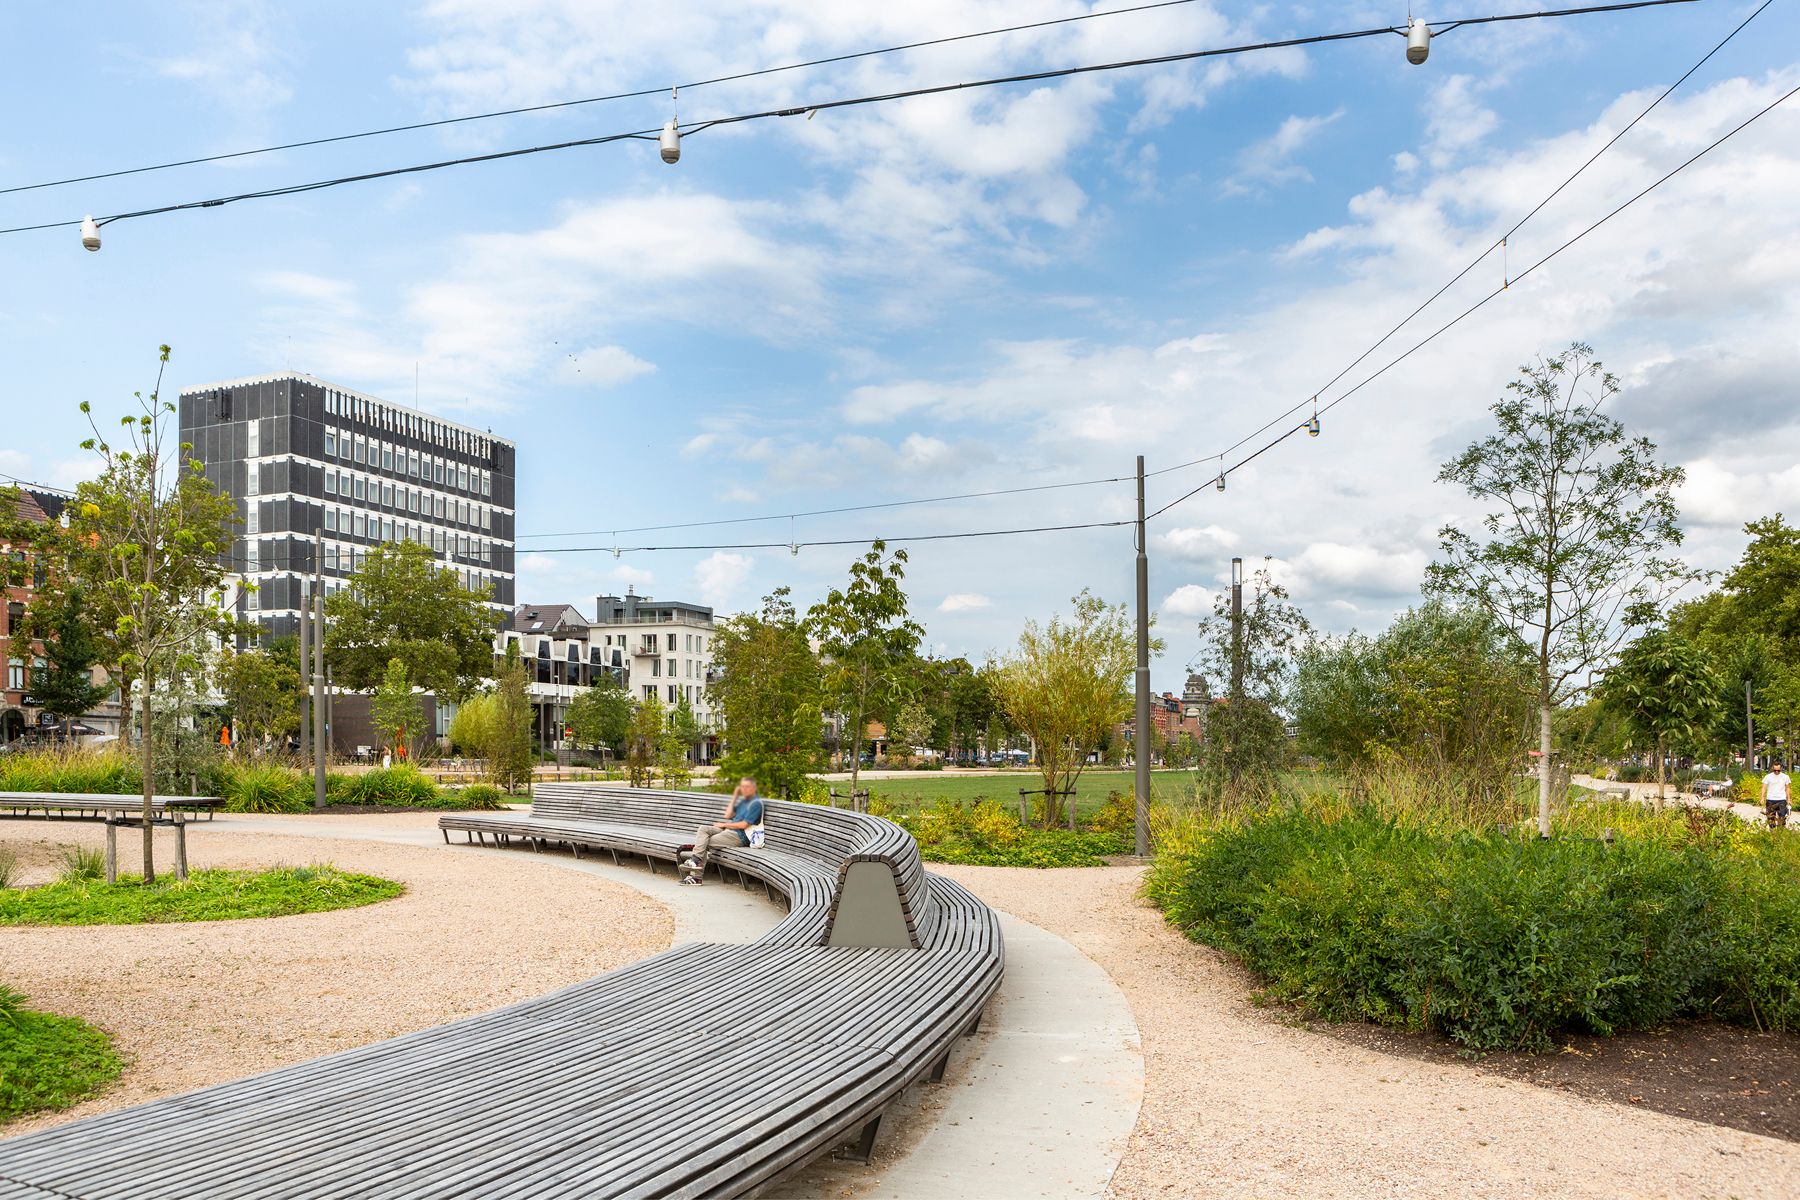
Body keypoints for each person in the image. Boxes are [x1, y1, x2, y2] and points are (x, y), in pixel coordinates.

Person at [681, 778, 763, 885]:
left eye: (747, 787)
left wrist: (724, 825)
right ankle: (695, 861)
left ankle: (696, 876)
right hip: (728, 831)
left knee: (704, 842)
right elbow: (728, 815)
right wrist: (735, 796)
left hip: (740, 835)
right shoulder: (744, 802)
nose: (744, 789)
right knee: (703, 829)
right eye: (742, 787)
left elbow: (744, 825)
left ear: (754, 788)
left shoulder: (756, 804)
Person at [1761, 761, 1790, 830]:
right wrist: (1762, 797)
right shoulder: (1768, 777)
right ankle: (1773, 834)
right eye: (1775, 770)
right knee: (1771, 818)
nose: (1776, 772)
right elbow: (1764, 787)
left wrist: (1789, 799)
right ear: (1772, 768)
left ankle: (1780, 833)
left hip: (1781, 800)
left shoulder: (1785, 777)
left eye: (1778, 770)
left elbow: (1788, 788)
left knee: (1782, 818)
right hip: (1770, 800)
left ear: (1781, 769)